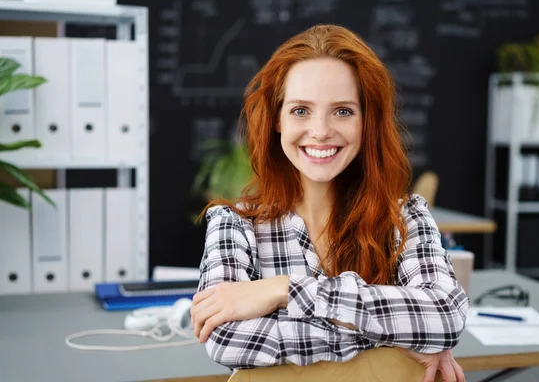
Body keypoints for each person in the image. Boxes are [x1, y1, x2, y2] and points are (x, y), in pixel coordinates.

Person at [190, 24, 469, 382]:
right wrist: (396, 334)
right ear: (277, 119)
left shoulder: (406, 216)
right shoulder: (233, 224)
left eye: (342, 111)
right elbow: (227, 340)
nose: (320, 131)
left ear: (367, 120)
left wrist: (284, 290)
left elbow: (446, 315)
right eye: (301, 110)